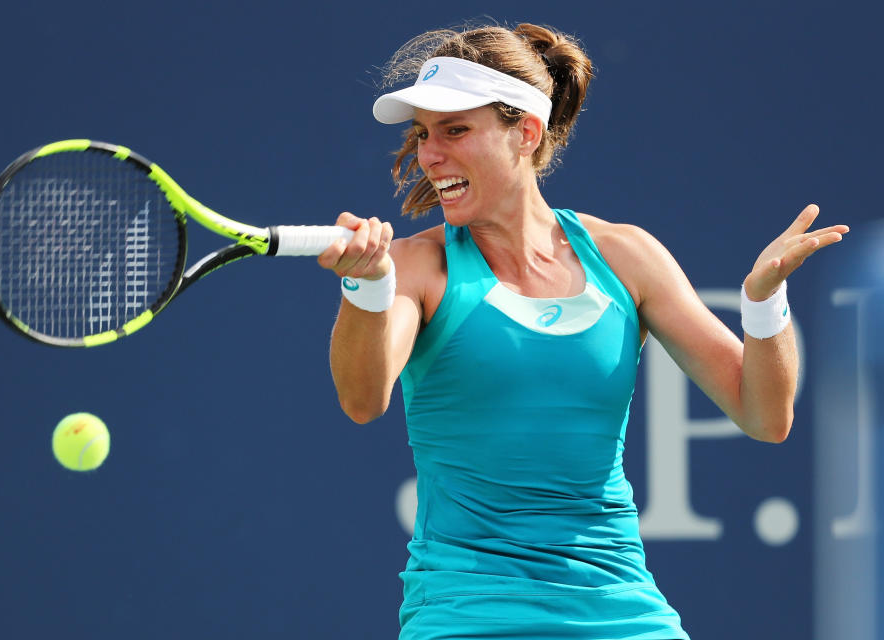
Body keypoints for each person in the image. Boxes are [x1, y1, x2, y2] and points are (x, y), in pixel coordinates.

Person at [317, 22, 848, 640]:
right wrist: (365, 287)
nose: (430, 156)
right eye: (423, 134)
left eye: (455, 130)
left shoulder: (627, 257)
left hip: (624, 614)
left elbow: (766, 414)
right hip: (466, 616)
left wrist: (764, 300)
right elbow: (362, 398)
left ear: (526, 131)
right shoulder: (416, 266)